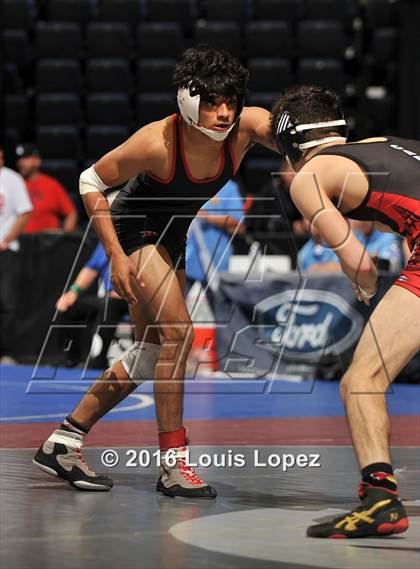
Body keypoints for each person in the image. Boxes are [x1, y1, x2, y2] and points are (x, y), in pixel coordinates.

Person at [33, 46, 278, 497]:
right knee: (179, 335)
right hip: (133, 229)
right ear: (188, 101)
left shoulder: (244, 127)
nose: (224, 113)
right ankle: (173, 466)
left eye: (231, 101)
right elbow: (90, 181)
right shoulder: (156, 142)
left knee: (150, 354)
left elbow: (288, 134)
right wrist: (115, 256)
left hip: (172, 236)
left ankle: (63, 442)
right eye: (211, 102)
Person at [271, 84, 419, 538]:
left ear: (291, 144)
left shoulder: (309, 174)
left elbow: (357, 259)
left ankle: (381, 499)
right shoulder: (389, 145)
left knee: (361, 381)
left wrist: (366, 282)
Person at [55, 241, 128, 369]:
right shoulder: (108, 238)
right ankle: (73, 359)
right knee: (68, 307)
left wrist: (129, 290)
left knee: (108, 305)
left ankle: (98, 362)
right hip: (109, 297)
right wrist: (73, 292)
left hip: (133, 299)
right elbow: (92, 267)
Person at [0, 146, 33, 365]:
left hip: (5, 251)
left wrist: (7, 239)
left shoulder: (11, 179)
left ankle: (5, 351)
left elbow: (25, 212)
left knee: (6, 301)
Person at [186, 178, 246, 291]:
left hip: (215, 259)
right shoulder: (188, 183)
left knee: (220, 306)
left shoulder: (229, 187)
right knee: (173, 305)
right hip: (187, 259)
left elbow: (237, 222)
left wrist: (206, 217)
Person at [16, 143, 78, 233]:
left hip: (48, 241)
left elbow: (71, 213)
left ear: (37, 161)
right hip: (21, 241)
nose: (21, 163)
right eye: (19, 159)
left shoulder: (51, 184)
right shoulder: (14, 183)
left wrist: (64, 237)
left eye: (26, 158)